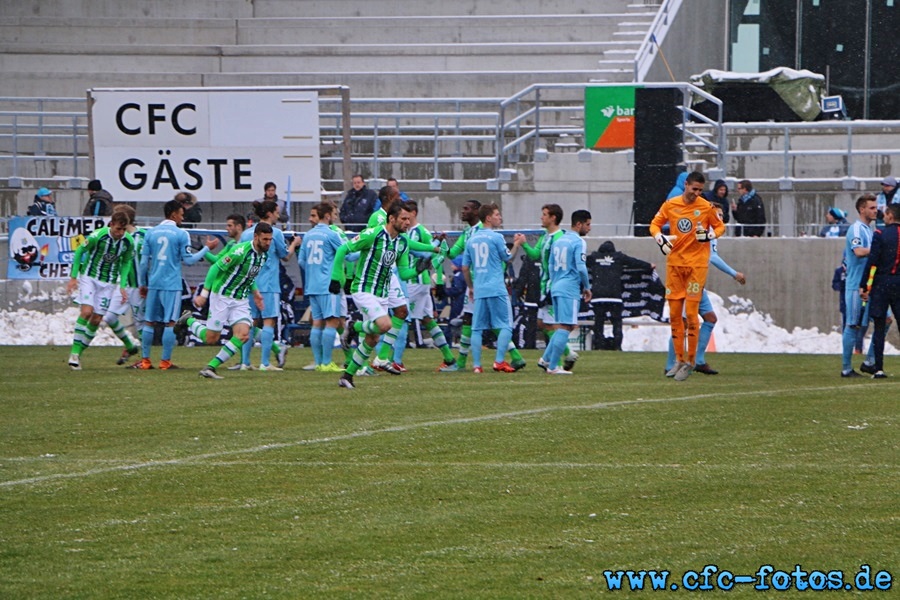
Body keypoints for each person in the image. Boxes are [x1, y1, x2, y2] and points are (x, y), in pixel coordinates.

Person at [331, 202, 426, 389]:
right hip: (364, 289)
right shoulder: (373, 234)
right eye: (404, 219)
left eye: (409, 219)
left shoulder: (401, 242)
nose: (408, 223)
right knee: (385, 324)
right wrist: (336, 277)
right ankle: (352, 326)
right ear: (392, 219)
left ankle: (347, 376)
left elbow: (404, 274)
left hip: (381, 293)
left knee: (372, 338)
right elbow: (344, 249)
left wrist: (418, 270)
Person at [650, 171, 725, 381]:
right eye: (694, 189)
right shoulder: (671, 205)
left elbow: (720, 226)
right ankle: (678, 360)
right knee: (674, 315)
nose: (697, 193)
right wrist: (660, 238)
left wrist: (710, 235)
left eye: (700, 190)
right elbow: (654, 224)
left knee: (691, 314)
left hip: (696, 267)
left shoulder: (706, 207)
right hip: (675, 265)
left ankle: (691, 362)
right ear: (686, 185)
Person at [177, 222, 274, 379]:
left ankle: (210, 367)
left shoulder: (263, 255)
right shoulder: (239, 251)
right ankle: (188, 320)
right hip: (221, 296)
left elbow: (249, 276)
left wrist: (256, 293)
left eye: (270, 239)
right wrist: (204, 293)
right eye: (265, 239)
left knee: (243, 335)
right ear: (256, 237)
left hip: (240, 299)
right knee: (211, 338)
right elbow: (215, 267)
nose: (268, 243)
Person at [663, 201, 746, 376]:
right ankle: (671, 363)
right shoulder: (706, 232)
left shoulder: (709, 231)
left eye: (722, 215)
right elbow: (712, 257)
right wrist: (734, 273)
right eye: (718, 214)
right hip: (688, 281)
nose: (720, 218)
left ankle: (698, 361)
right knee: (683, 323)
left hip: (697, 283)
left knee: (710, 318)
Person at [135, 200, 216, 370]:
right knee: (170, 322)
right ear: (173, 214)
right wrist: (206, 248)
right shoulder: (181, 234)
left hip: (154, 283)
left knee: (149, 322)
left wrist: (143, 283)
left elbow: (143, 263)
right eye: (181, 213)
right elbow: (189, 260)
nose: (182, 217)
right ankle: (165, 362)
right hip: (171, 284)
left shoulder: (151, 233)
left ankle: (145, 361)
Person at [66, 210, 136, 370]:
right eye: (118, 229)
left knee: (97, 319)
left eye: (124, 230)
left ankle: (78, 354)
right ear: (111, 225)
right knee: (86, 312)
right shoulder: (97, 236)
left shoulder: (128, 242)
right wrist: (73, 277)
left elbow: (126, 263)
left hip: (109, 283)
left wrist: (123, 285)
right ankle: (74, 353)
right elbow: (79, 251)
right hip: (89, 278)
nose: (121, 233)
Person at [462, 203, 525, 374]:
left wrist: (471, 287)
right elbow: (508, 258)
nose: (500, 217)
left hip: (480, 289)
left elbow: (465, 268)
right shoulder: (497, 237)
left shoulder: (471, 239)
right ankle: (498, 362)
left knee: (477, 328)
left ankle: (476, 365)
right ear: (488, 218)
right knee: (506, 325)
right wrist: (517, 244)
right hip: (496, 288)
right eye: (497, 215)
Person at [236, 200, 295, 371]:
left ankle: (245, 362)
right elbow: (285, 256)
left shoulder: (247, 234)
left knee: (250, 323)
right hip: (268, 285)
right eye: (276, 212)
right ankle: (265, 363)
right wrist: (294, 244)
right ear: (269, 214)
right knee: (268, 322)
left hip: (249, 285)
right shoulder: (275, 233)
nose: (278, 215)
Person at [403, 199, 459, 370]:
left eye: (406, 215)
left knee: (400, 317)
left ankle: (394, 361)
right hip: (418, 283)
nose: (403, 218)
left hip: (416, 281)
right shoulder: (407, 232)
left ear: (413, 214)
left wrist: (440, 282)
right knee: (428, 320)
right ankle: (449, 358)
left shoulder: (421, 232)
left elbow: (436, 255)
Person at [521, 204, 578, 370]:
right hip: (545, 286)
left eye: (544, 214)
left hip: (555, 286)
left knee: (556, 325)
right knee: (542, 323)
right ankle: (562, 354)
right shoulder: (545, 236)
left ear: (553, 218)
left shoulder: (561, 238)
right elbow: (535, 255)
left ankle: (557, 361)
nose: (541, 217)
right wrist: (524, 244)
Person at [537, 210, 591, 375]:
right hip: (569, 288)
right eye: (588, 224)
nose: (589, 228)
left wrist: (555, 282)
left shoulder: (558, 240)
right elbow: (581, 267)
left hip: (556, 286)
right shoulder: (578, 241)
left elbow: (550, 265)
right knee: (566, 326)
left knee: (560, 325)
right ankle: (553, 367)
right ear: (579, 224)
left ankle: (545, 359)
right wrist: (587, 287)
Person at [297, 202, 347, 372]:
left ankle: (319, 363)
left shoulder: (308, 235)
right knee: (332, 321)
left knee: (317, 323)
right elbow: (347, 253)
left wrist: (314, 271)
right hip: (328, 285)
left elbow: (301, 261)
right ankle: (327, 363)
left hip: (312, 284)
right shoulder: (331, 234)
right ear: (327, 216)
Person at [587, 241, 654, 351]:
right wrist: (649, 266)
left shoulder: (594, 257)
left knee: (599, 322)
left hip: (598, 297)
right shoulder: (618, 257)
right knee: (617, 323)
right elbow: (634, 262)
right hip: (614, 297)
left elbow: (579, 262)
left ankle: (598, 346)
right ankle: (617, 347)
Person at [859, 202, 900, 379]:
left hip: (882, 284)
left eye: (885, 213)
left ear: (890, 215)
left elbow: (872, 263)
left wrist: (865, 285)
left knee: (879, 326)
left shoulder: (880, 234)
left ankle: (879, 368)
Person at [840, 194, 879, 377]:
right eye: (871, 207)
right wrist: (879, 249)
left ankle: (870, 361)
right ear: (862, 209)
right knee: (853, 324)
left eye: (875, 207)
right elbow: (858, 251)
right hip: (856, 285)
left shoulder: (869, 230)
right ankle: (846, 368)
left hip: (870, 285)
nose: (875, 210)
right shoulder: (856, 229)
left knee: (885, 319)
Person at [100, 205, 145, 365]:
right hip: (124, 285)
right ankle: (130, 345)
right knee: (109, 317)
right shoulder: (116, 238)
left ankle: (145, 359)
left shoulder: (143, 236)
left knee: (141, 322)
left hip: (140, 287)